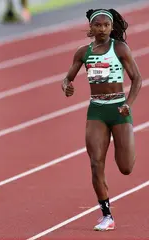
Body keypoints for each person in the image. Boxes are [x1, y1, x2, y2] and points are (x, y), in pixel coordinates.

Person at [62, 9, 142, 231]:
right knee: (96, 163)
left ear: (112, 27)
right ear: (91, 28)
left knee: (126, 167)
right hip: (96, 110)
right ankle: (106, 215)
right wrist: (67, 86)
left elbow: (137, 79)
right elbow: (68, 78)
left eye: (106, 25)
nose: (102, 29)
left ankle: (125, 143)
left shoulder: (120, 48)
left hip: (118, 109)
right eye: (98, 25)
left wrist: (128, 104)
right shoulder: (82, 52)